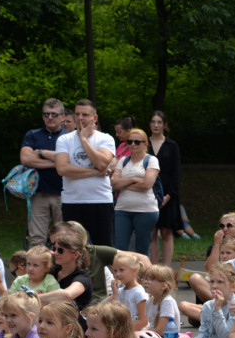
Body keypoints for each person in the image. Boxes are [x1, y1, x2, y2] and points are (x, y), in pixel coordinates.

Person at [54, 99, 117, 247]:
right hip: (72, 201)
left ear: (94, 118)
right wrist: (96, 172)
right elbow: (62, 169)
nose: (80, 118)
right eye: (77, 114)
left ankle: (103, 272)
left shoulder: (105, 138)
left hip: (100, 201)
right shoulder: (64, 139)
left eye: (85, 114)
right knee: (73, 248)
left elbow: (101, 163)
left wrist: (83, 139)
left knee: (103, 248)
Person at [19, 98, 68, 247]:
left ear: (63, 117)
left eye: (54, 114)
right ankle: (37, 269)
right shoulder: (32, 135)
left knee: (64, 239)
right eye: (46, 114)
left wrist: (40, 152)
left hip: (64, 194)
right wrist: (56, 162)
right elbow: (25, 158)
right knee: (36, 239)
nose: (50, 118)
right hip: (38, 194)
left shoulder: (69, 137)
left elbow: (70, 160)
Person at [111, 128, 160, 257]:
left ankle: (142, 277)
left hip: (146, 211)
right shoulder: (123, 161)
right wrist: (133, 179)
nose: (132, 144)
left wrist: (123, 184)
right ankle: (121, 277)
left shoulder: (151, 160)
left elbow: (147, 184)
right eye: (130, 141)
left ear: (145, 144)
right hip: (122, 209)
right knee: (119, 250)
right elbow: (113, 183)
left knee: (142, 251)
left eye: (137, 142)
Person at [179, 263, 235, 338]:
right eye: (212, 281)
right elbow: (203, 336)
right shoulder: (208, 306)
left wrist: (218, 309)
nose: (214, 286)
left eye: (220, 282)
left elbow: (225, 337)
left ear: (232, 287)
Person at [146, 111, 182, 265]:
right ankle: (153, 268)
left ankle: (166, 269)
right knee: (152, 232)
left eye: (159, 122)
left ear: (164, 125)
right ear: (149, 124)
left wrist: (169, 195)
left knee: (167, 231)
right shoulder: (143, 143)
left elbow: (177, 172)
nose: (155, 125)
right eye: (153, 122)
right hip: (148, 191)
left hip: (168, 192)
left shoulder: (172, 145)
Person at [39, 227, 93, 312]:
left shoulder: (82, 278)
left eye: (60, 250)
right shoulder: (53, 270)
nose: (55, 253)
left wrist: (34, 298)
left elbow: (67, 295)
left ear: (75, 254)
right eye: (54, 249)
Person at [108, 253, 149, 331]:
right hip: (123, 331)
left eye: (121, 270)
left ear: (135, 270)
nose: (117, 274)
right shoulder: (119, 291)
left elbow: (144, 320)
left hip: (136, 333)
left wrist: (125, 333)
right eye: (115, 271)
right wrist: (115, 295)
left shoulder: (139, 293)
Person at [142, 263, 179, 335]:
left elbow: (161, 330)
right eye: (145, 278)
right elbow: (148, 325)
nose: (146, 281)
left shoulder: (167, 301)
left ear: (163, 286)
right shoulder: (149, 302)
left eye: (151, 279)